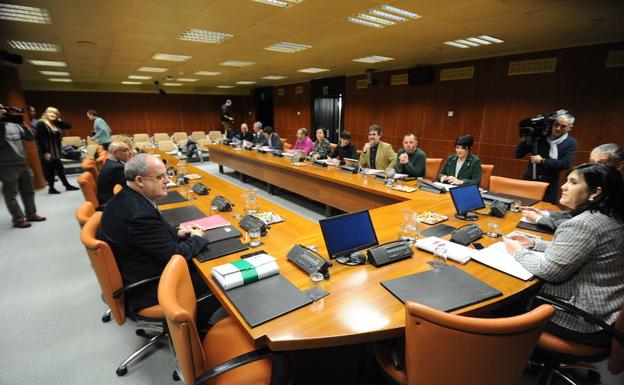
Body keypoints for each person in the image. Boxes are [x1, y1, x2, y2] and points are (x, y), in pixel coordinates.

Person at [504, 163, 624, 347]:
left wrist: (517, 251)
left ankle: (506, 355)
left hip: (582, 320)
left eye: (573, 182)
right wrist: (534, 243)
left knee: (507, 303)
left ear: (595, 192)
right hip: (607, 311)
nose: (563, 186)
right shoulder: (610, 217)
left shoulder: (584, 224)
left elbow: (550, 271)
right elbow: (581, 249)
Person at [98, 154, 216, 321]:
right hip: (150, 286)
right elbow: (175, 256)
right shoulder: (140, 215)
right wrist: (198, 238)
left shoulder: (127, 198)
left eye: (166, 175)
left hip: (136, 269)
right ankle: (198, 332)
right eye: (161, 177)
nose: (167, 181)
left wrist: (178, 233)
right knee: (215, 276)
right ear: (140, 181)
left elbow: (150, 238)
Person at [521, 143, 624, 230]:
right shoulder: (595, 183)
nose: (594, 167)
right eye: (592, 162)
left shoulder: (616, 191)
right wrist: (546, 215)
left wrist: (539, 219)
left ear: (619, 166)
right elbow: (577, 213)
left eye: (602, 163)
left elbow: (581, 225)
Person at [515, 111, 578, 204]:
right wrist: (524, 139)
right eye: (556, 124)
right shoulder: (540, 138)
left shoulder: (571, 142)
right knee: (523, 204)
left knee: (546, 208)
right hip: (530, 178)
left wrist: (543, 161)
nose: (557, 128)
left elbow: (565, 164)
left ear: (569, 128)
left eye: (563, 126)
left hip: (550, 182)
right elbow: (518, 155)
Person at [0, 106, 46, 228]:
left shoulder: (14, 124)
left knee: (29, 191)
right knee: (11, 195)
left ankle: (31, 214)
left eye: (3, 109)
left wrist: (22, 124)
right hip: (6, 166)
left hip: (23, 163)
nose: (2, 111)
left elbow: (30, 137)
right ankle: (18, 219)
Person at [35, 107, 79, 194]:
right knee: (50, 170)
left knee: (60, 169)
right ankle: (52, 188)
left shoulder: (55, 123)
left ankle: (66, 185)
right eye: (50, 112)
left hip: (56, 151)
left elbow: (68, 126)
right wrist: (45, 152)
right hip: (47, 151)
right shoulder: (41, 123)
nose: (52, 114)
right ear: (46, 113)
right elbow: (40, 139)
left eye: (55, 113)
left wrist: (59, 121)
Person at [96, 141, 131, 207]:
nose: (129, 153)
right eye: (125, 150)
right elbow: (129, 187)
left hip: (107, 198)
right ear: (115, 152)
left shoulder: (110, 162)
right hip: (111, 203)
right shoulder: (117, 168)